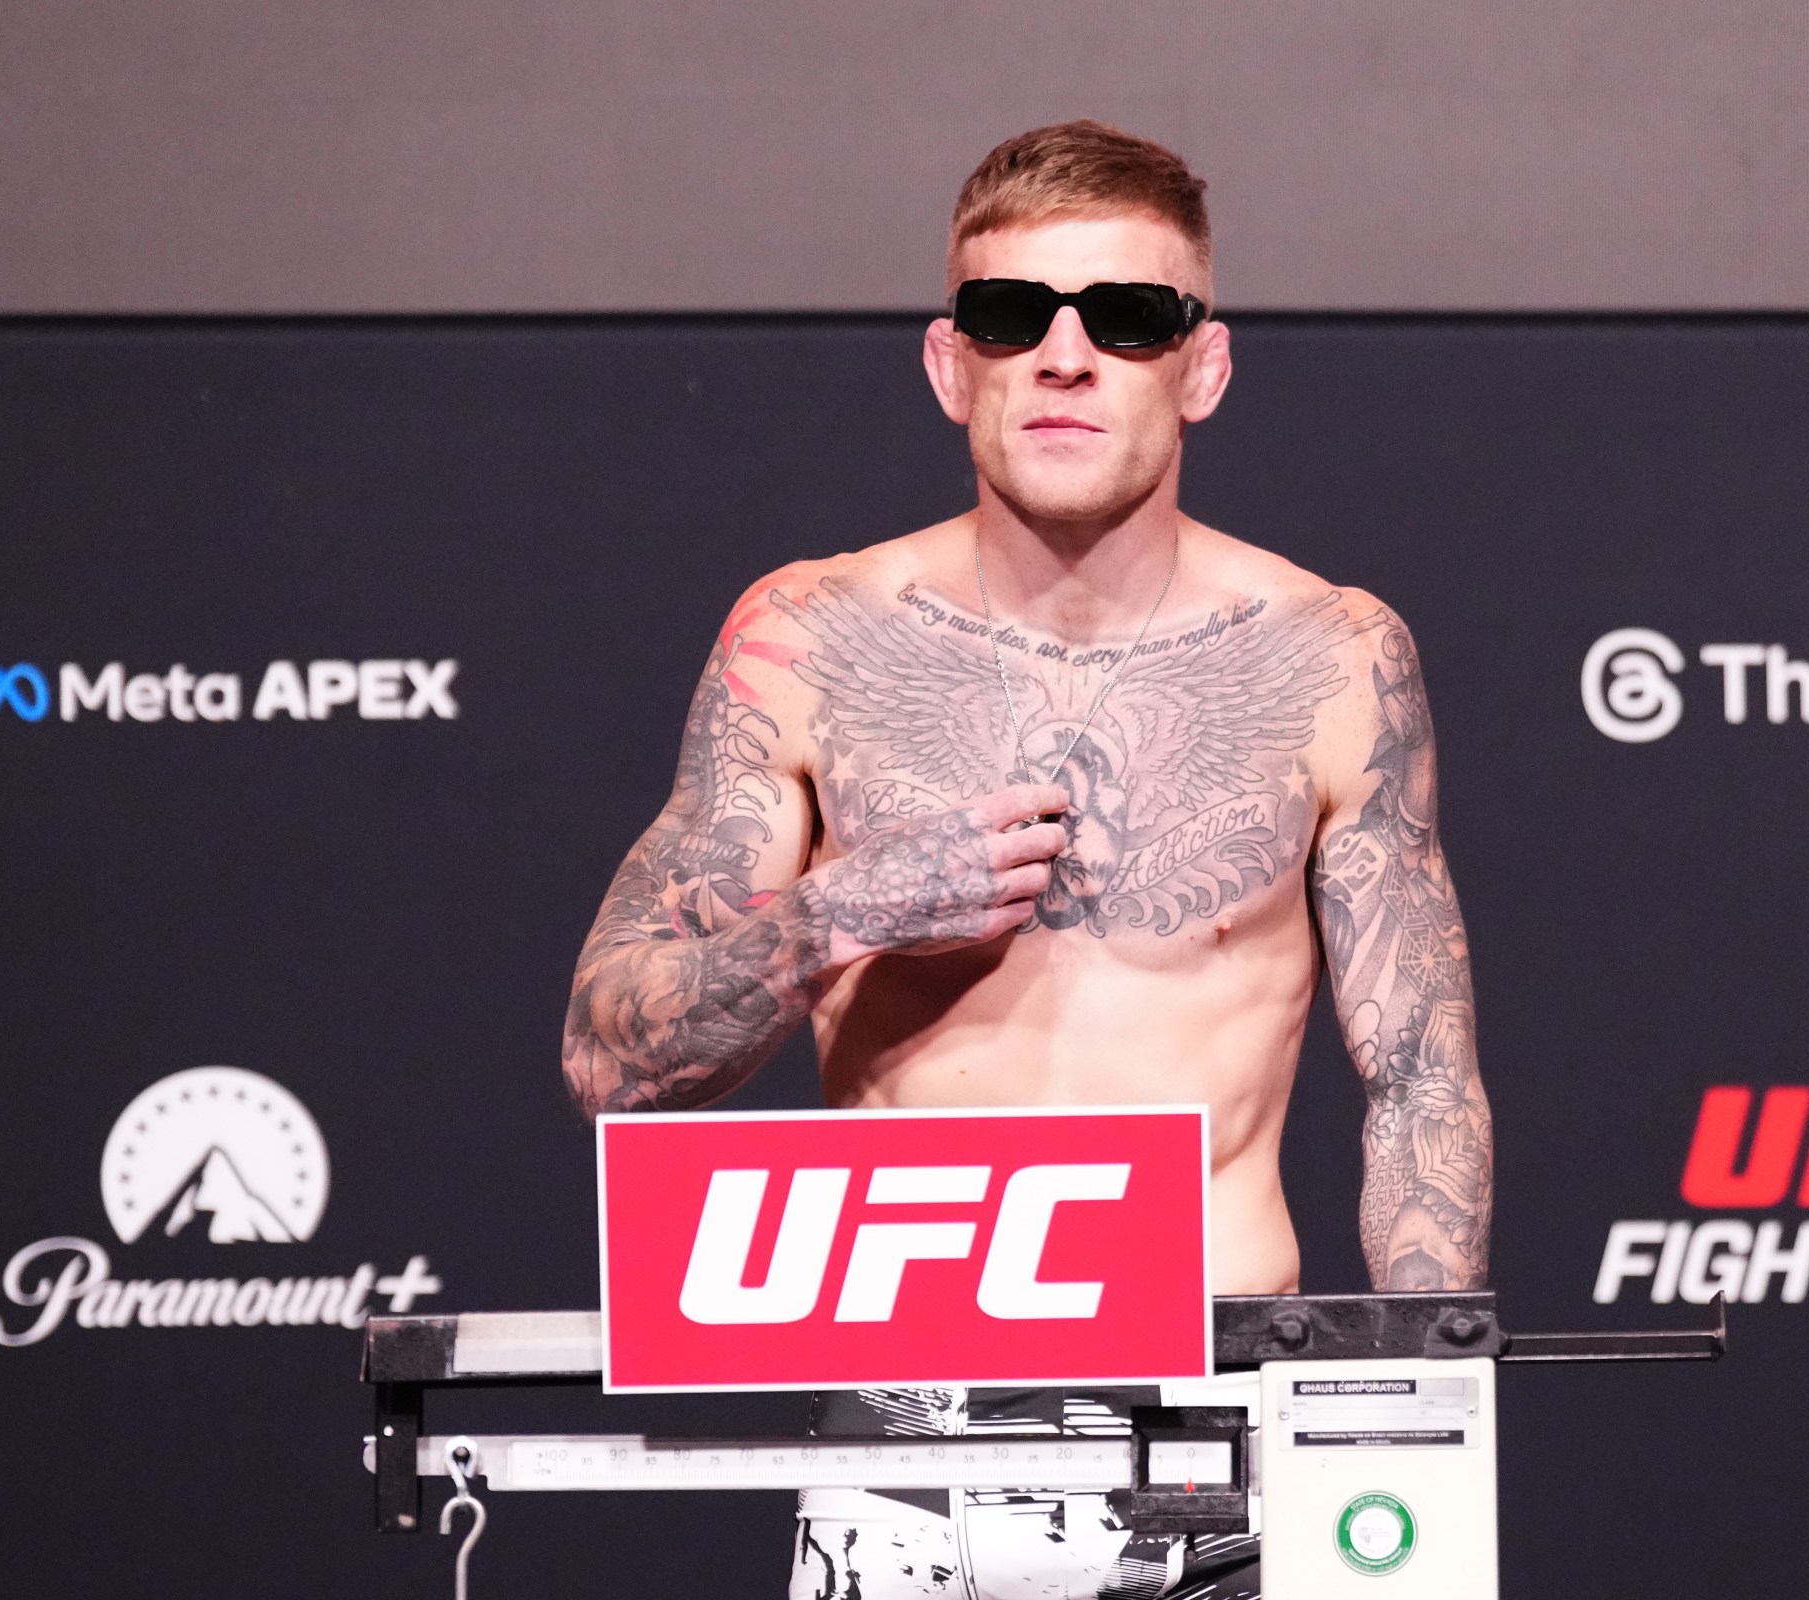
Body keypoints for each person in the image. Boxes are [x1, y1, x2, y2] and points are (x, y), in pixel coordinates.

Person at [561, 120, 1491, 1600]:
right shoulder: (805, 640)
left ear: (1204, 366)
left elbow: (1420, 1068)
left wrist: (1420, 1421)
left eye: (1127, 318)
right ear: (952, 366)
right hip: (903, 1411)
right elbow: (610, 1058)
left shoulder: (1334, 656)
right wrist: (834, 915)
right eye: (1015, 315)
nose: (1067, 357)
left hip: (1221, 1394)